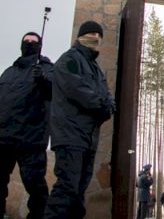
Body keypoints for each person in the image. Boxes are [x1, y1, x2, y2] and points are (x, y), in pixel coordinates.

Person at [44, 20, 115, 219]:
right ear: (81, 36)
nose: (96, 38)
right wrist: (103, 105)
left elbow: (107, 94)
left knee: (78, 192)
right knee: (67, 188)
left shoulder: (95, 68)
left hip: (88, 137)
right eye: (92, 34)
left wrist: (109, 106)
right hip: (70, 135)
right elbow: (79, 90)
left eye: (99, 35)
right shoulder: (70, 60)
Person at [0, 32, 52, 219]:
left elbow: (57, 92)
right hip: (4, 137)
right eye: (26, 41)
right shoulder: (9, 71)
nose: (29, 43)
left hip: (31, 139)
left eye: (33, 41)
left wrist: (44, 79)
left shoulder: (46, 68)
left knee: (35, 184)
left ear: (40, 46)